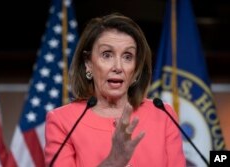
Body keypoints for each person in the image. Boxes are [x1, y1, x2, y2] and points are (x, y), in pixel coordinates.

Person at [44, 13, 186, 167]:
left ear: (136, 68)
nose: (118, 67)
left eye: (127, 56)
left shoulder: (162, 115)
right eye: (107, 55)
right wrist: (113, 162)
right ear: (88, 63)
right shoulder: (62, 121)